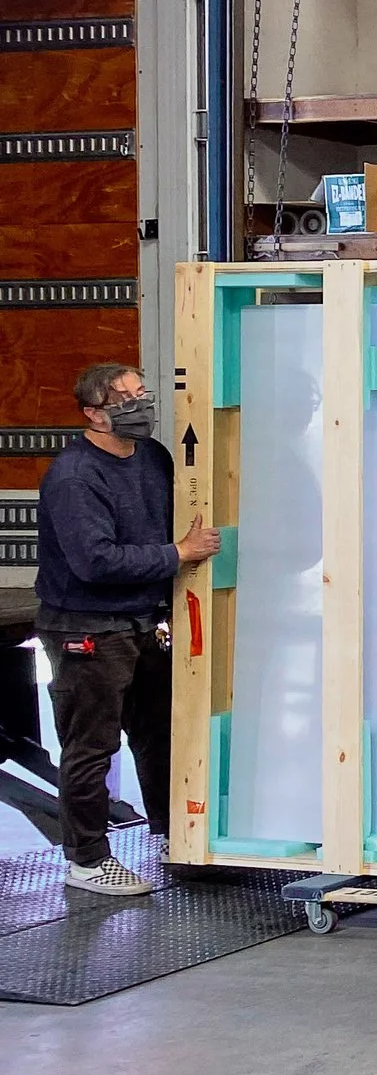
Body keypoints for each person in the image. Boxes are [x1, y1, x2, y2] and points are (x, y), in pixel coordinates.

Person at [35, 363, 221, 894]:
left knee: (159, 733)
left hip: (145, 622)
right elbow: (94, 561)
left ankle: (171, 836)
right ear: (94, 413)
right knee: (91, 746)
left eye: (142, 393)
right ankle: (88, 860)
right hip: (87, 628)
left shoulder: (154, 458)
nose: (140, 406)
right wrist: (178, 554)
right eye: (124, 400)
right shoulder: (74, 476)